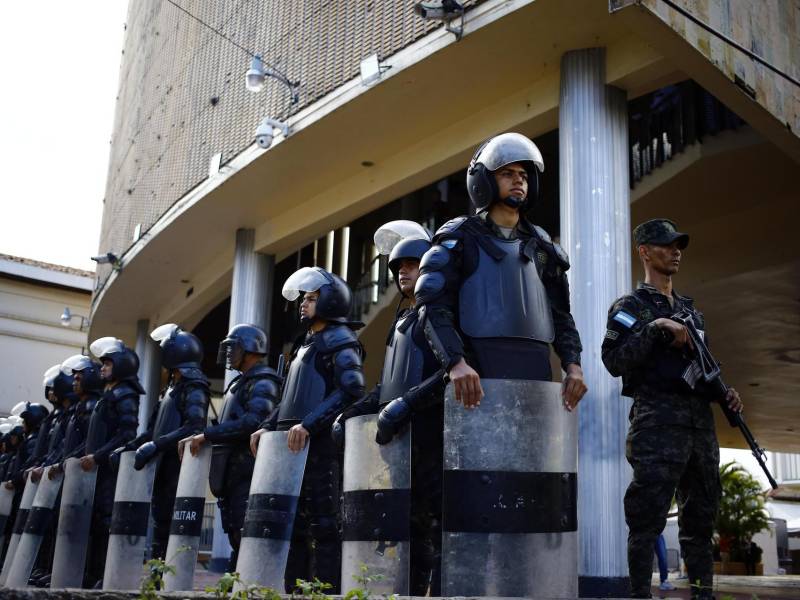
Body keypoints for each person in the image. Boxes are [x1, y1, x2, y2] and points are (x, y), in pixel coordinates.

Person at [601, 218, 743, 600]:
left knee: (700, 523)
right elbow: (613, 360)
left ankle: (702, 594)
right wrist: (655, 328)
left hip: (700, 429)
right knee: (646, 521)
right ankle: (639, 595)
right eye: (666, 245)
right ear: (644, 252)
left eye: (678, 245)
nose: (676, 251)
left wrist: (725, 394)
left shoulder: (692, 313)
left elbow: (704, 370)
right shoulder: (630, 307)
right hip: (657, 426)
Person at [413, 132, 586, 409]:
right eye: (507, 173)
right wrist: (456, 363)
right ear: (483, 181)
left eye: (524, 175)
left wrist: (573, 365)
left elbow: (561, 316)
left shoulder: (543, 247)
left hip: (535, 375)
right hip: (476, 378)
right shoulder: (460, 238)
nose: (519, 180)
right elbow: (433, 306)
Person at [333, 221, 446, 595]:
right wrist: (353, 413)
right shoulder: (401, 319)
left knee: (436, 525)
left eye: (411, 264)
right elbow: (388, 384)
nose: (402, 272)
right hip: (399, 442)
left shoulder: (440, 311)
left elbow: (450, 371)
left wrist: (405, 405)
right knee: (406, 526)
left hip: (432, 434)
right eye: (398, 267)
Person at [250, 267, 365, 593]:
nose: (303, 303)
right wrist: (266, 426)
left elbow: (351, 389)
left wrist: (310, 424)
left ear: (330, 300)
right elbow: (289, 398)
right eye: (303, 298)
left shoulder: (340, 340)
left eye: (311, 298)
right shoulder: (305, 344)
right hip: (289, 448)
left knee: (325, 524)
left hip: (321, 447)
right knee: (295, 526)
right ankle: (295, 593)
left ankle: (327, 595)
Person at [181, 324, 279, 571]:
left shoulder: (263, 382)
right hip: (231, 473)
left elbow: (253, 422)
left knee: (248, 535)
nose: (228, 353)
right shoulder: (239, 383)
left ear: (250, 350)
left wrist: (207, 434)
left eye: (233, 348)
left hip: (249, 472)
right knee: (236, 534)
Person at [122, 324, 210, 560]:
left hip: (177, 468)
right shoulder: (170, 388)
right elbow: (153, 431)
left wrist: (156, 445)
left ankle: (168, 575)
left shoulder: (194, 386)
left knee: (172, 527)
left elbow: (194, 426)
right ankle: (157, 574)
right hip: (163, 468)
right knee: (160, 525)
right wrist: (129, 447)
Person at [81, 337, 143, 588]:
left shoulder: (125, 394)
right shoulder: (109, 394)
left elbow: (126, 434)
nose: (103, 368)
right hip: (99, 468)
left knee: (107, 521)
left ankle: (104, 576)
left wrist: (98, 456)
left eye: (107, 363)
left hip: (110, 469)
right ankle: (92, 574)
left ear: (121, 365)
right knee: (95, 522)